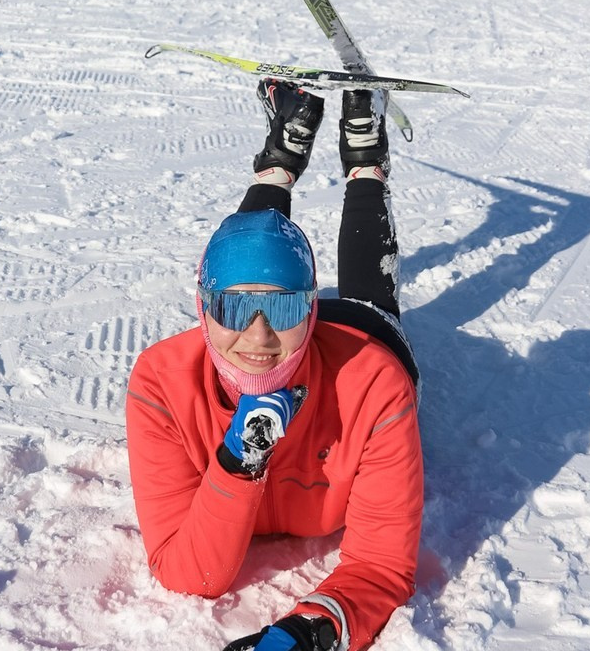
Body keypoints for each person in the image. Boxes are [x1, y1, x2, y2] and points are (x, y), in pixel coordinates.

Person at [126, 81, 422, 651]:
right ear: (203, 310)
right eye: (234, 310)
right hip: (304, 333)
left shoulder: (373, 385)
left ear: (308, 308)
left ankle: (365, 161)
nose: (258, 337)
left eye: (283, 309)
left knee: (369, 292)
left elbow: (382, 564)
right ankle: (281, 159)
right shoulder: (161, 383)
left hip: (361, 337)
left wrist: (308, 633)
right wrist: (238, 463)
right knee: (250, 253)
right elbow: (189, 574)